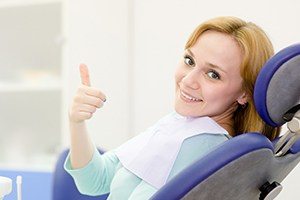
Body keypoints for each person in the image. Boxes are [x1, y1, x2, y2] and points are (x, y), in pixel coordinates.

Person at [64, 16, 281, 199]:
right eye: (189, 60)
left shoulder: (202, 146)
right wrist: (77, 121)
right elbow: (94, 180)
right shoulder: (182, 126)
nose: (188, 81)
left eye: (213, 74)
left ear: (244, 93)